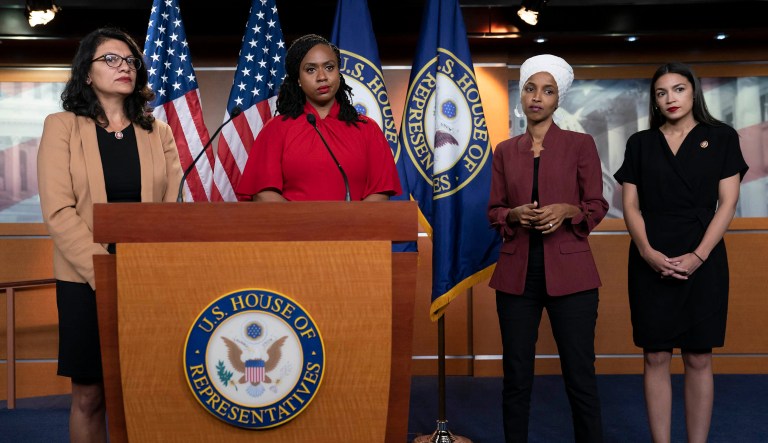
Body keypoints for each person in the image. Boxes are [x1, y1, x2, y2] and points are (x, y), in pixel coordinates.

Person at [37, 27, 182, 442]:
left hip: (147, 277)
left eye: (131, 61)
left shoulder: (160, 132)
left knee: (147, 390)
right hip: (85, 281)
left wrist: (143, 270)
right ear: (87, 73)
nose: (125, 67)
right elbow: (59, 211)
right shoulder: (61, 126)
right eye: (111, 60)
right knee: (89, 396)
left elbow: (170, 210)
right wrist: (106, 272)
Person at [614, 62, 748, 443]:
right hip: (649, 259)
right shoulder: (640, 143)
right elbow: (631, 206)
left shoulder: (721, 137)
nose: (670, 98)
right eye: (661, 92)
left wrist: (699, 255)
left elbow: (727, 204)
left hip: (703, 258)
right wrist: (647, 252)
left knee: (698, 356)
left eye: (678, 89)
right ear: (654, 100)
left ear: (693, 93)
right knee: (655, 355)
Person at [487, 54, 608, 443]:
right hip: (517, 275)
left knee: (580, 375)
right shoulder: (505, 151)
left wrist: (569, 210)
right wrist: (513, 215)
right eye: (530, 88)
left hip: (572, 276)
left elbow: (596, 204)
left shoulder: (580, 144)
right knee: (516, 376)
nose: (537, 97)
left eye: (548, 90)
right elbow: (494, 211)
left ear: (559, 100)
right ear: (521, 95)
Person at [235, 34, 401, 201]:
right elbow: (264, 195)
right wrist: (307, 224)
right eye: (310, 69)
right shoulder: (276, 129)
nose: (322, 77)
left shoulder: (367, 128)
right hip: (292, 227)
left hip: (355, 227)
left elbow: (380, 193)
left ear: (338, 72)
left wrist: (352, 225)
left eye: (329, 67)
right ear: (298, 79)